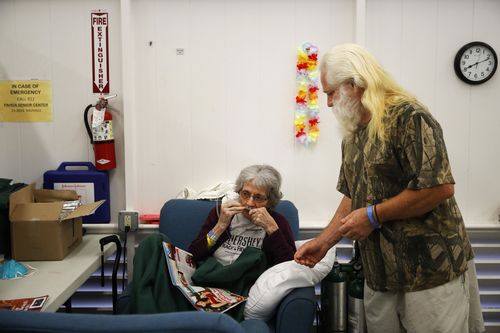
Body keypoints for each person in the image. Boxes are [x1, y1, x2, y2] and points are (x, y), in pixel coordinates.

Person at [294, 43, 484, 333]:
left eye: (331, 92)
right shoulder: (354, 132)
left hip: (429, 274)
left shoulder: (409, 117)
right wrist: (325, 242)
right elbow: (352, 195)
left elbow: (438, 188)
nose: (329, 103)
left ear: (355, 83)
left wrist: (372, 216)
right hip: (380, 274)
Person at [188, 164, 296, 267]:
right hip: (214, 277)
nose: (249, 203)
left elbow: (289, 266)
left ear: (270, 201)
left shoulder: (278, 222)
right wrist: (219, 226)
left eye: (258, 197)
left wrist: (272, 229)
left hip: (253, 284)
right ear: (238, 191)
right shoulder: (221, 213)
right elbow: (193, 254)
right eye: (245, 194)